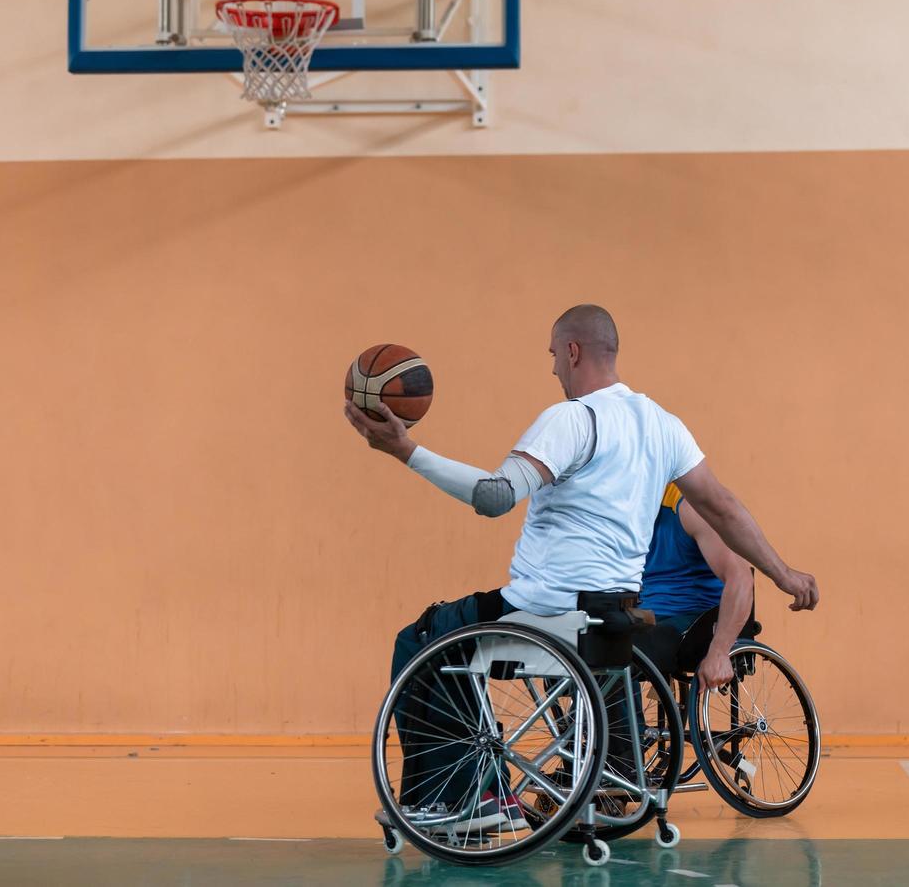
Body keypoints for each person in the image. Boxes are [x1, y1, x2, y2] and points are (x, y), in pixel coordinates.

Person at [344, 304, 818, 833]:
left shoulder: (572, 418)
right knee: (465, 629)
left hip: (545, 613)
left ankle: (469, 799)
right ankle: (510, 788)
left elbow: (495, 497)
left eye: (553, 355)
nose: (552, 369)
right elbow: (725, 507)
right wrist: (783, 573)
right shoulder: (664, 425)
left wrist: (406, 451)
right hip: (612, 614)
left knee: (424, 637)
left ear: (572, 352)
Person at [638, 482, 756, 691]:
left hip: (696, 617)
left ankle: (624, 724)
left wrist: (719, 652)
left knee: (625, 648)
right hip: (647, 612)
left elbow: (741, 579)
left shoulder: (689, 507)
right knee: (594, 640)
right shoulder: (624, 509)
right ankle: (601, 720)